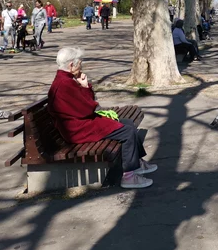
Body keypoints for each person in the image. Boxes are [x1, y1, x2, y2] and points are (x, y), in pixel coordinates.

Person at [47, 47, 156, 188]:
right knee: (127, 133)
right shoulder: (66, 84)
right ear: (71, 65)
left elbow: (84, 108)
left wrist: (82, 87)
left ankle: (137, 162)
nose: (82, 65)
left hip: (78, 124)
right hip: (77, 129)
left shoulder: (64, 80)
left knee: (127, 123)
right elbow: (88, 108)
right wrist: (86, 87)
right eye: (80, 62)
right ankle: (129, 176)